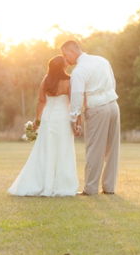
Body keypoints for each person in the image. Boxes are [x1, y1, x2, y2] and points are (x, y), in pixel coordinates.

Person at [8, 55, 79, 197]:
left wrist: (37, 120)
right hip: (63, 118)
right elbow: (73, 103)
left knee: (45, 149)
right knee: (63, 149)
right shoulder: (70, 81)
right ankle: (62, 186)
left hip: (47, 118)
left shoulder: (46, 81)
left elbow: (41, 101)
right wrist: (76, 122)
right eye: (65, 62)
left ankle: (43, 184)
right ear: (63, 66)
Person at [60, 40, 120, 195]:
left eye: (66, 55)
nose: (66, 59)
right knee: (112, 149)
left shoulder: (79, 71)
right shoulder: (102, 60)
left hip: (97, 109)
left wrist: (74, 119)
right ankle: (109, 187)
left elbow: (77, 95)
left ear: (73, 51)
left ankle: (91, 189)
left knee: (94, 150)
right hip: (113, 106)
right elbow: (112, 83)